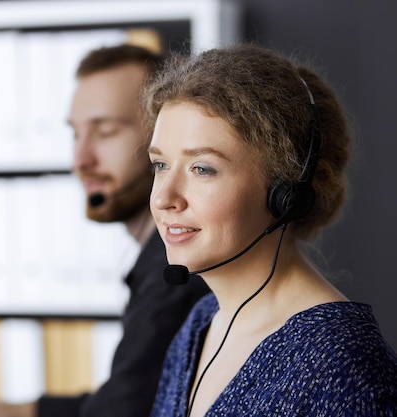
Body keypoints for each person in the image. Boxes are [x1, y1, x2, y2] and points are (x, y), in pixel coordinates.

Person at [0, 44, 210, 417]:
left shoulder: (176, 270)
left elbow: (121, 413)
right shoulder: (159, 259)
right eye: (76, 134)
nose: (80, 160)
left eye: (105, 131)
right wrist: (22, 411)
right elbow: (129, 395)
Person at [142, 43, 397, 416]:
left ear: (285, 194)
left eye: (202, 169)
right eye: (161, 165)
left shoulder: (343, 363)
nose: (165, 198)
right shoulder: (201, 324)